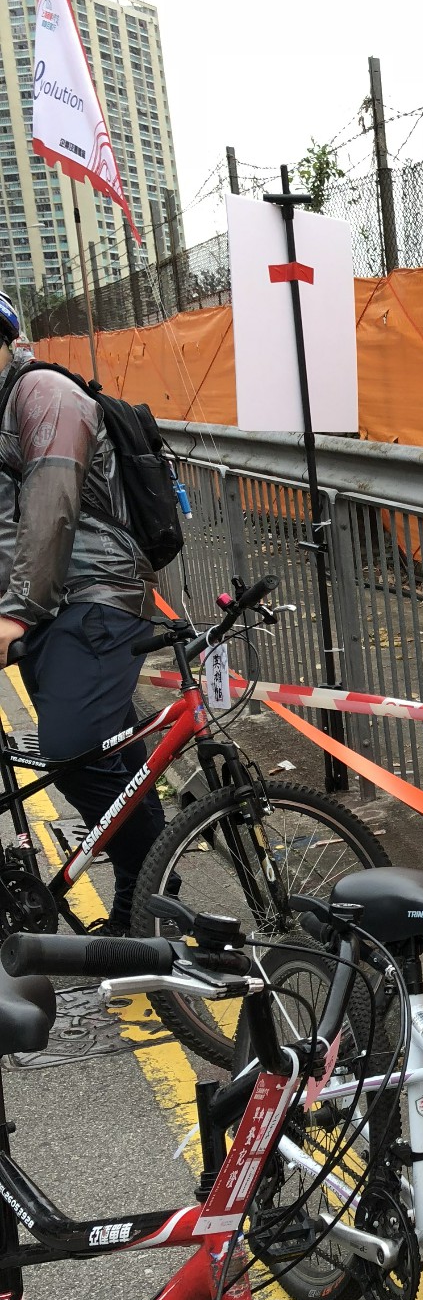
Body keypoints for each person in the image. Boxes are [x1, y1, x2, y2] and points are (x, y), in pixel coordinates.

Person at [0, 290, 170, 933]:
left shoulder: (43, 394)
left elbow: (52, 503)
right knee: (111, 760)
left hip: (97, 595)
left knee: (70, 749)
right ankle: (143, 905)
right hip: (49, 609)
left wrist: (15, 612)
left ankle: (151, 873)